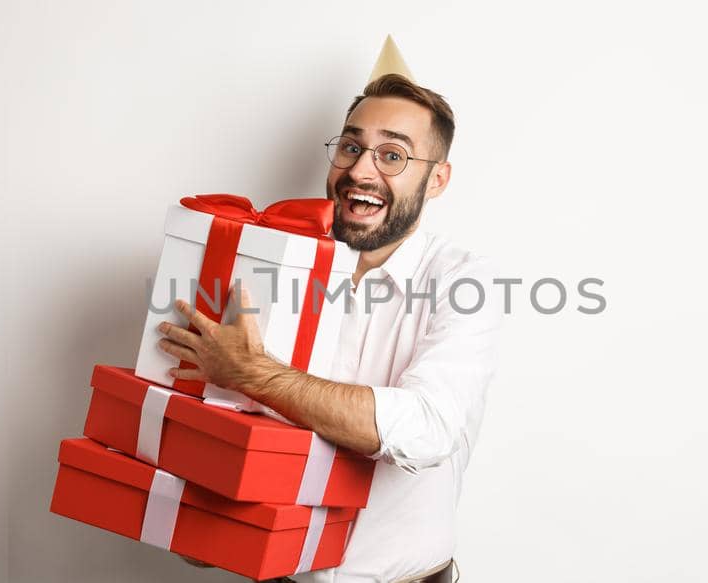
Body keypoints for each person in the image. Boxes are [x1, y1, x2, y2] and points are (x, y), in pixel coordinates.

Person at [155, 72, 500, 583]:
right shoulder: (271, 267)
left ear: (438, 180)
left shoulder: (461, 280)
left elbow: (427, 428)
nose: (361, 170)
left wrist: (258, 375)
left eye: (393, 155)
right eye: (351, 146)